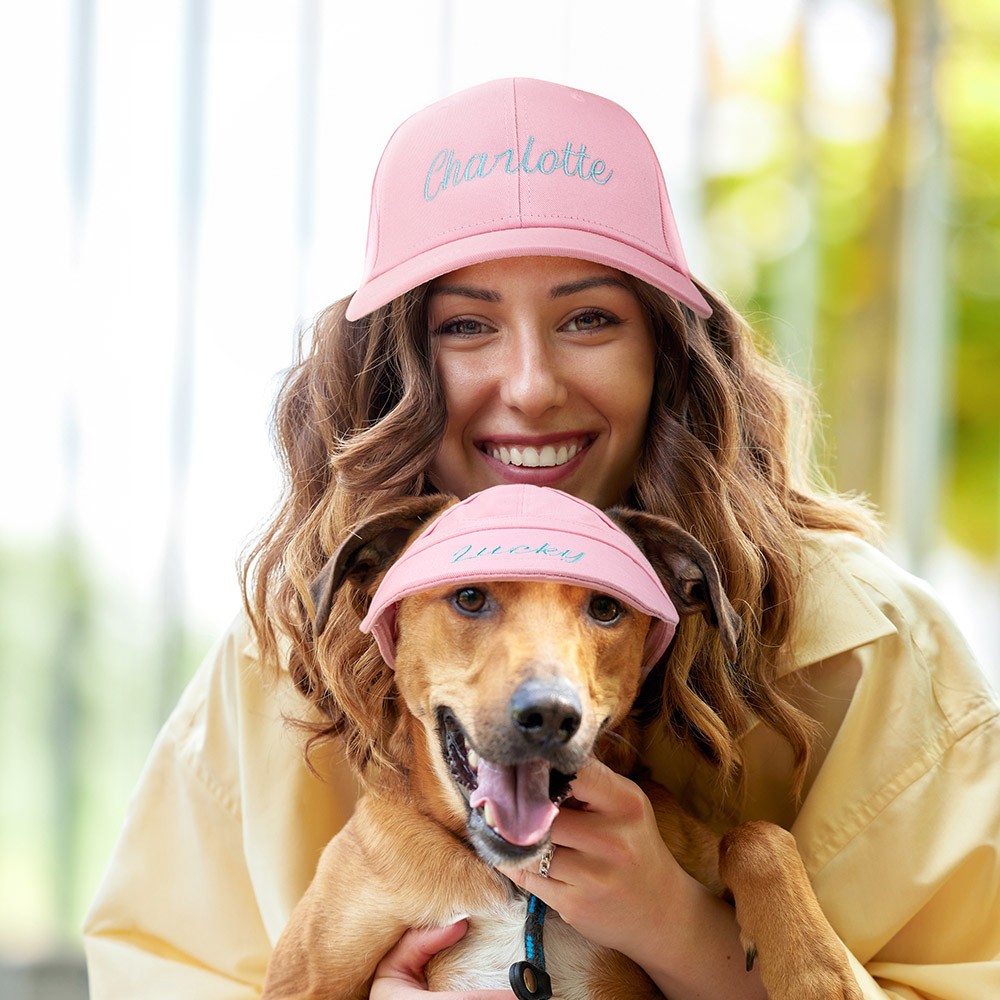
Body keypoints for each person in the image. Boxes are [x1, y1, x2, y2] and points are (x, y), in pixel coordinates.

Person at [83, 78, 1000, 999]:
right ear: (397, 366)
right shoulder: (286, 641)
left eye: (589, 318)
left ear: (672, 352)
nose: (529, 387)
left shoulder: (875, 646)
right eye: (467, 326)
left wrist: (679, 928)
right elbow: (159, 967)